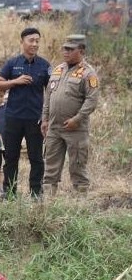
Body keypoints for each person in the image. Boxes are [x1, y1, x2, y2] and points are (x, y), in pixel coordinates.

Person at [0, 27, 50, 199]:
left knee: (36, 158)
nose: (34, 44)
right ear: (22, 42)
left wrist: (47, 116)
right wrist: (15, 81)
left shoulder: (44, 65)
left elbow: (52, 90)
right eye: (31, 40)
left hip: (35, 118)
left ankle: (36, 193)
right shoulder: (13, 63)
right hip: (13, 118)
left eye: (37, 41)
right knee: (11, 157)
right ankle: (10, 193)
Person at [41, 35, 100, 194]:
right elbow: (48, 95)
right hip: (54, 127)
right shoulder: (58, 69)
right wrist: (45, 119)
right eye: (64, 48)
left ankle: (80, 200)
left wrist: (77, 119)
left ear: (81, 51)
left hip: (75, 129)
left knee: (77, 166)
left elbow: (92, 100)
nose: (65, 52)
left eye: (70, 49)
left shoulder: (88, 73)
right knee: (50, 167)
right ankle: (49, 201)